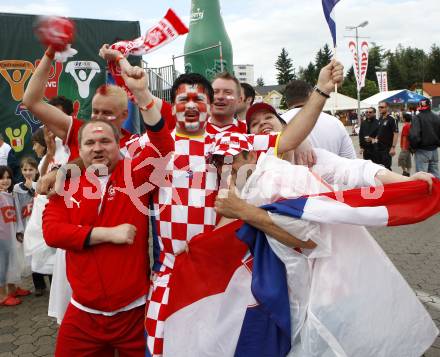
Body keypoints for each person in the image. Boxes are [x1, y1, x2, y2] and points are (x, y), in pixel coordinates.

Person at [138, 58, 343, 356]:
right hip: (172, 273)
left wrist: (322, 90)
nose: (192, 105)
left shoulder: (232, 141)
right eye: (183, 99)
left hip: (222, 273)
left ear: (209, 106)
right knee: (161, 348)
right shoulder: (154, 146)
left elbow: (289, 137)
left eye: (199, 99)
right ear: (173, 106)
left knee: (216, 347)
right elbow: (104, 162)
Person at [212, 133, 438, 357]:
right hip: (301, 284)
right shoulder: (254, 180)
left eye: (231, 159)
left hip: (325, 284)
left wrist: (406, 182)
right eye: (219, 162)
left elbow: (310, 238)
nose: (227, 167)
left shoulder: (281, 175)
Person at [42, 115, 173, 356]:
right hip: (83, 314)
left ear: (118, 144)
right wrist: (107, 234)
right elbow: (52, 233)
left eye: (105, 141)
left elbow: (163, 145)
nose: (98, 148)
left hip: (134, 314)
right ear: (79, 149)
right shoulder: (66, 182)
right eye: (90, 143)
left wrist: (142, 95)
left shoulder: (136, 175)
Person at [281, 80, 356, 159]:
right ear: (311, 95)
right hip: (333, 170)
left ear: (286, 101)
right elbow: (351, 161)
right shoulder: (335, 122)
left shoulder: (278, 123)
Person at [0, 166, 30, 306]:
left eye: (8, 177)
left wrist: (18, 231)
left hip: (10, 235)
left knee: (12, 262)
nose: (5, 180)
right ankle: (1, 296)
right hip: (2, 238)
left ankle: (12, 289)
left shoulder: (9, 194)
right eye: (1, 178)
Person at [409, 99, 440, 178]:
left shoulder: (417, 117)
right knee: (435, 175)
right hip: (434, 150)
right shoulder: (436, 117)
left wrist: (413, 147)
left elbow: (414, 136)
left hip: (422, 150)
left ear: (419, 106)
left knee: (422, 177)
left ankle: (426, 190)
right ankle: (437, 190)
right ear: (429, 105)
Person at [375, 101, 399, 170]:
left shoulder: (392, 119)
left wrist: (393, 147)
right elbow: (379, 131)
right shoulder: (380, 119)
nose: (380, 109)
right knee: (379, 167)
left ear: (387, 108)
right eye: (379, 107)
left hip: (386, 148)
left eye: (382, 107)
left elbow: (396, 133)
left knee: (386, 168)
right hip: (378, 147)